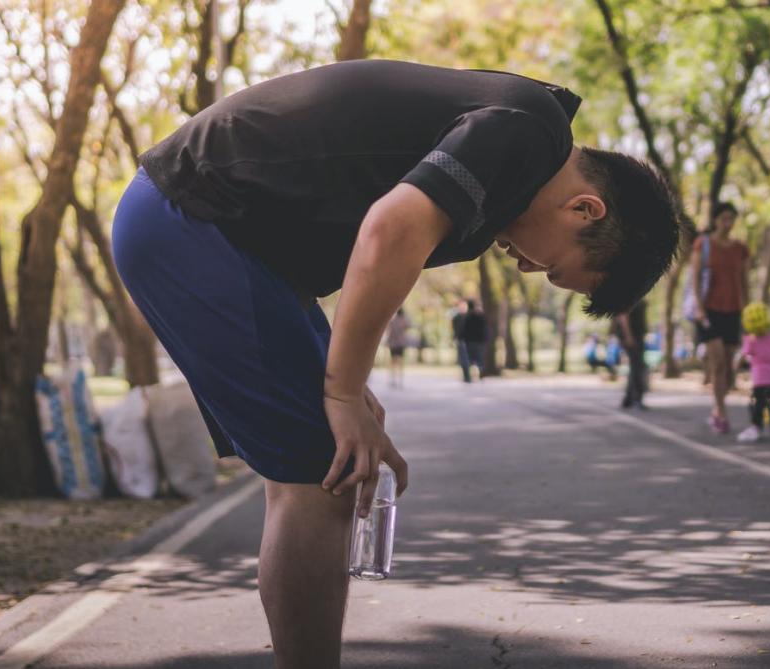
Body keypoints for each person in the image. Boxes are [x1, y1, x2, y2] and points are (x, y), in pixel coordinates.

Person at [110, 59, 681, 668]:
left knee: (326, 466)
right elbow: (389, 230)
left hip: (227, 237)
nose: (528, 267)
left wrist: (345, 383)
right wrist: (340, 393)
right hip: (188, 215)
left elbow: (349, 237)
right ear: (585, 210)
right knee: (318, 476)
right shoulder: (529, 132)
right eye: (555, 268)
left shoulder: (516, 153)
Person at [691, 201, 749, 434]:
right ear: (715, 220)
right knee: (718, 363)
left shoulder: (740, 248)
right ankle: (720, 411)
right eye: (724, 217)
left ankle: (718, 406)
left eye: (731, 218)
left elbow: (744, 282)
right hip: (709, 310)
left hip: (733, 310)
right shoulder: (703, 244)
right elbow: (695, 279)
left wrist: (747, 311)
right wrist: (699, 307)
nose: (728, 222)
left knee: (729, 366)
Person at [736, 302, 770, 442]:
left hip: (759, 381)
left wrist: (737, 368)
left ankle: (756, 428)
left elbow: (743, 356)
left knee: (757, 405)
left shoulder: (750, 340)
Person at [616, 299, 649, 409]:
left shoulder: (640, 292)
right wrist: (628, 335)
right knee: (637, 367)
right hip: (632, 335)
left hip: (637, 334)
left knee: (635, 366)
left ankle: (628, 399)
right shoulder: (629, 294)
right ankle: (637, 398)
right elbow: (622, 315)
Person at [454, 299, 487, 383]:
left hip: (469, 342)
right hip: (479, 341)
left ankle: (468, 376)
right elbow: (484, 329)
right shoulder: (480, 316)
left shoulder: (466, 317)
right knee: (479, 359)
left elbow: (463, 330)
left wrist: (459, 337)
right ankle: (480, 373)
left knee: (468, 359)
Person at [385, 308, 412, 388]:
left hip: (393, 344)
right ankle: (400, 380)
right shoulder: (404, 321)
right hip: (401, 344)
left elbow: (388, 331)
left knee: (392, 362)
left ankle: (392, 379)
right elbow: (409, 326)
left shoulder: (392, 321)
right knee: (400, 362)